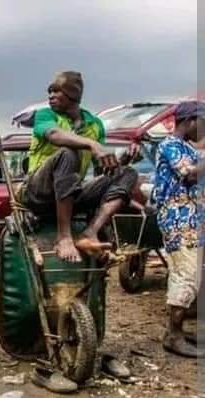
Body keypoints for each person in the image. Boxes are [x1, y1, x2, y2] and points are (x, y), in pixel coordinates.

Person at [21, 71, 139, 262]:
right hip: (37, 192)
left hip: (70, 195)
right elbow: (53, 134)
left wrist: (123, 161)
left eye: (56, 91)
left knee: (128, 174)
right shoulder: (45, 115)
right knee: (69, 152)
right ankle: (64, 236)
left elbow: (102, 173)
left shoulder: (95, 124)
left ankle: (89, 233)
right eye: (49, 92)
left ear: (72, 95)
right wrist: (92, 144)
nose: (50, 96)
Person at [153, 101, 204, 358]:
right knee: (186, 274)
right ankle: (173, 335)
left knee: (189, 275)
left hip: (190, 219)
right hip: (178, 219)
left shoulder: (186, 147)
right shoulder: (170, 145)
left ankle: (178, 331)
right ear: (191, 120)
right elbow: (191, 175)